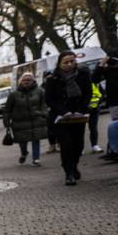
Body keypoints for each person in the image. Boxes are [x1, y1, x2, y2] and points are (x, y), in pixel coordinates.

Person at [44, 51, 94, 185]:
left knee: (78, 145)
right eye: (66, 62)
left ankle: (74, 165)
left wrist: (82, 109)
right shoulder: (52, 79)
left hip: (78, 115)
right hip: (60, 117)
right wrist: (64, 111)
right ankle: (69, 173)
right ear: (59, 63)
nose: (69, 64)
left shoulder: (83, 75)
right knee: (66, 145)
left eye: (72, 61)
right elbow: (49, 99)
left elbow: (88, 93)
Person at [4, 72, 48, 166]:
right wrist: (6, 121)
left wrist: (44, 114)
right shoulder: (14, 94)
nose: (26, 82)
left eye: (29, 80)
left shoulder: (40, 91)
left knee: (36, 139)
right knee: (22, 141)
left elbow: (44, 104)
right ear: (20, 81)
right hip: (20, 122)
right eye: (24, 80)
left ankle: (36, 159)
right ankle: (24, 153)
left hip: (35, 120)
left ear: (33, 81)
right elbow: (7, 109)